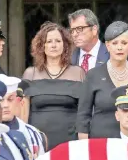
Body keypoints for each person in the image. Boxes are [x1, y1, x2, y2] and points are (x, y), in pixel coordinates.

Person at [76, 21, 128, 139]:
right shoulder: (93, 75)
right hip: (100, 142)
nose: (119, 47)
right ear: (108, 46)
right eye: (115, 43)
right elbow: (83, 115)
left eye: (124, 43)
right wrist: (84, 146)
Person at [22, 22, 85, 150]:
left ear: (65, 45)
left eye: (58, 41)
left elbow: (84, 111)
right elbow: (23, 113)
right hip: (38, 143)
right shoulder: (30, 73)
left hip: (70, 142)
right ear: (42, 45)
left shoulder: (78, 73)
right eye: (49, 41)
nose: (54, 45)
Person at [0, 74, 46, 158]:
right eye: (0, 100)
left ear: (18, 100)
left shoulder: (32, 134)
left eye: (10, 99)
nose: (5, 105)